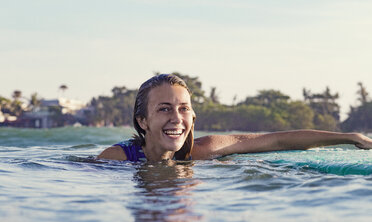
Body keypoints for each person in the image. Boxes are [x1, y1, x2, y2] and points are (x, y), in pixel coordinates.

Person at [98, 74, 372, 162]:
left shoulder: (202, 150)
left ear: (193, 116)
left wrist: (349, 137)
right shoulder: (118, 158)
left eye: (183, 109)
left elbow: (275, 141)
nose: (176, 118)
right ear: (143, 121)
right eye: (164, 108)